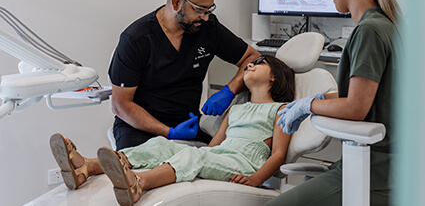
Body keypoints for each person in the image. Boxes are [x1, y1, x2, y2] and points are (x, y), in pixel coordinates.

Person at [49, 55, 296, 206]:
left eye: (259, 63)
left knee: (193, 155)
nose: (250, 65)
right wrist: (183, 150)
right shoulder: (236, 110)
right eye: (250, 63)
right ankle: (87, 167)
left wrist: (255, 179)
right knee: (162, 144)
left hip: (243, 166)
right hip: (223, 157)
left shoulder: (281, 110)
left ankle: (138, 184)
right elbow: (213, 148)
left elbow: (278, 154)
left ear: (274, 77)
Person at [266, 0, 401, 206]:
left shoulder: (369, 31)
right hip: (383, 167)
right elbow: (366, 95)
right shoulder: (385, 24)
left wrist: (310, 105)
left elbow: (355, 108)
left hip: (374, 172)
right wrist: (310, 101)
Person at [108, 0, 261, 150]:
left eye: (209, 10)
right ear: (176, 1)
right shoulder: (136, 39)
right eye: (199, 10)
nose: (205, 17)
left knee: (228, 159)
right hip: (139, 128)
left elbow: (252, 57)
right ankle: (85, 166)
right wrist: (169, 132)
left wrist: (230, 90)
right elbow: (121, 105)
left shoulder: (208, 28)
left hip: (189, 126)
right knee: (140, 169)